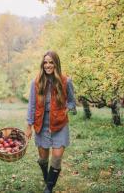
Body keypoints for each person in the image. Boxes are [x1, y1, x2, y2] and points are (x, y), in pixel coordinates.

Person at [25, 51, 76, 193]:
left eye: (51, 62)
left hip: (59, 124)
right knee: (43, 158)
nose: (48, 65)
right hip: (41, 123)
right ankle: (48, 177)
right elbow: (32, 105)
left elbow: (72, 101)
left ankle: (49, 188)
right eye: (45, 62)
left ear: (56, 64)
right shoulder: (36, 82)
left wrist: (67, 110)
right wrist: (29, 126)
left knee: (57, 157)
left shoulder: (66, 81)